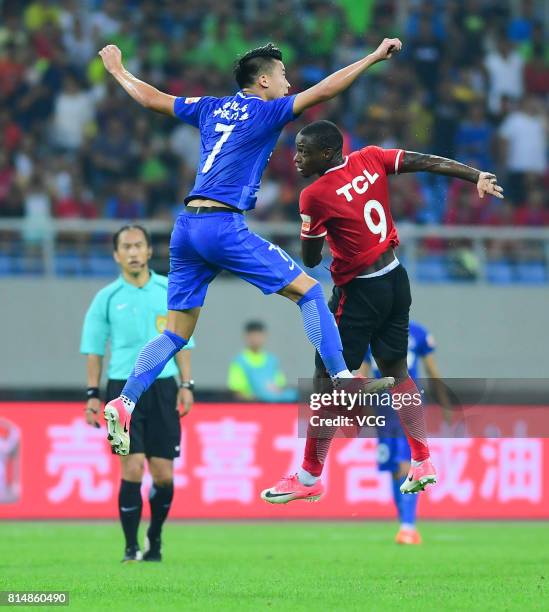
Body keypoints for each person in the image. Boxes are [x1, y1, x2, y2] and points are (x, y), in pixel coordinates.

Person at [97, 38, 401, 456]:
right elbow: (326, 90)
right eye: (282, 75)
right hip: (222, 225)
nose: (289, 83)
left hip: (186, 228)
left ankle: (125, 400)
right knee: (310, 291)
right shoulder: (267, 110)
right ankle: (343, 378)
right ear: (263, 80)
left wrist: (118, 71)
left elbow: (152, 99)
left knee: (175, 332)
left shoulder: (209, 106)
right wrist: (371, 58)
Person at [261, 120, 503, 504]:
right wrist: (474, 175)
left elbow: (309, 259)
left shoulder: (315, 194)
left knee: (326, 378)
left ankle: (309, 475)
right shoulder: (371, 158)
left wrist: (311, 228)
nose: (296, 158)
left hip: (358, 291)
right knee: (398, 371)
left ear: (327, 153)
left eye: (304, 151)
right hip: (395, 279)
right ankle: (422, 460)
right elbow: (425, 161)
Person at [80, 225, 195, 563]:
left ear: (148, 252)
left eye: (138, 246)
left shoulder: (168, 290)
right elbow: (94, 349)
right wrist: (92, 394)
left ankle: (154, 537)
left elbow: (183, 341)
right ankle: (131, 547)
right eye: (126, 247)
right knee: (130, 469)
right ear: (116, 255)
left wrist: (187, 385)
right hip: (121, 390)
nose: (132, 252)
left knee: (163, 474)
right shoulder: (106, 298)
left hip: (163, 388)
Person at [360, 321, 450, 545]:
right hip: (384, 402)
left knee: (403, 464)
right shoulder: (370, 332)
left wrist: (444, 401)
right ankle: (406, 525)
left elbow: (431, 368)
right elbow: (363, 373)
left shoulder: (416, 332)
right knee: (394, 468)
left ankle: (407, 526)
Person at [228, 320, 297, 402]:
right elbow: (237, 391)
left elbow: (279, 386)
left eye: (258, 336)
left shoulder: (272, 360)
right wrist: (255, 399)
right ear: (246, 337)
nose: (256, 339)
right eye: (252, 336)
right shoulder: (239, 362)